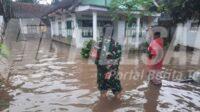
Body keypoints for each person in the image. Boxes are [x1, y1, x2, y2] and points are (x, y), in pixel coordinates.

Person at [90, 24, 122, 99]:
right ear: (112, 33)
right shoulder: (117, 45)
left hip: (102, 73)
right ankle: (118, 107)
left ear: (103, 32)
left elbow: (93, 59)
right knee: (117, 91)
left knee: (103, 91)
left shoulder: (96, 44)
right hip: (113, 73)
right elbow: (118, 61)